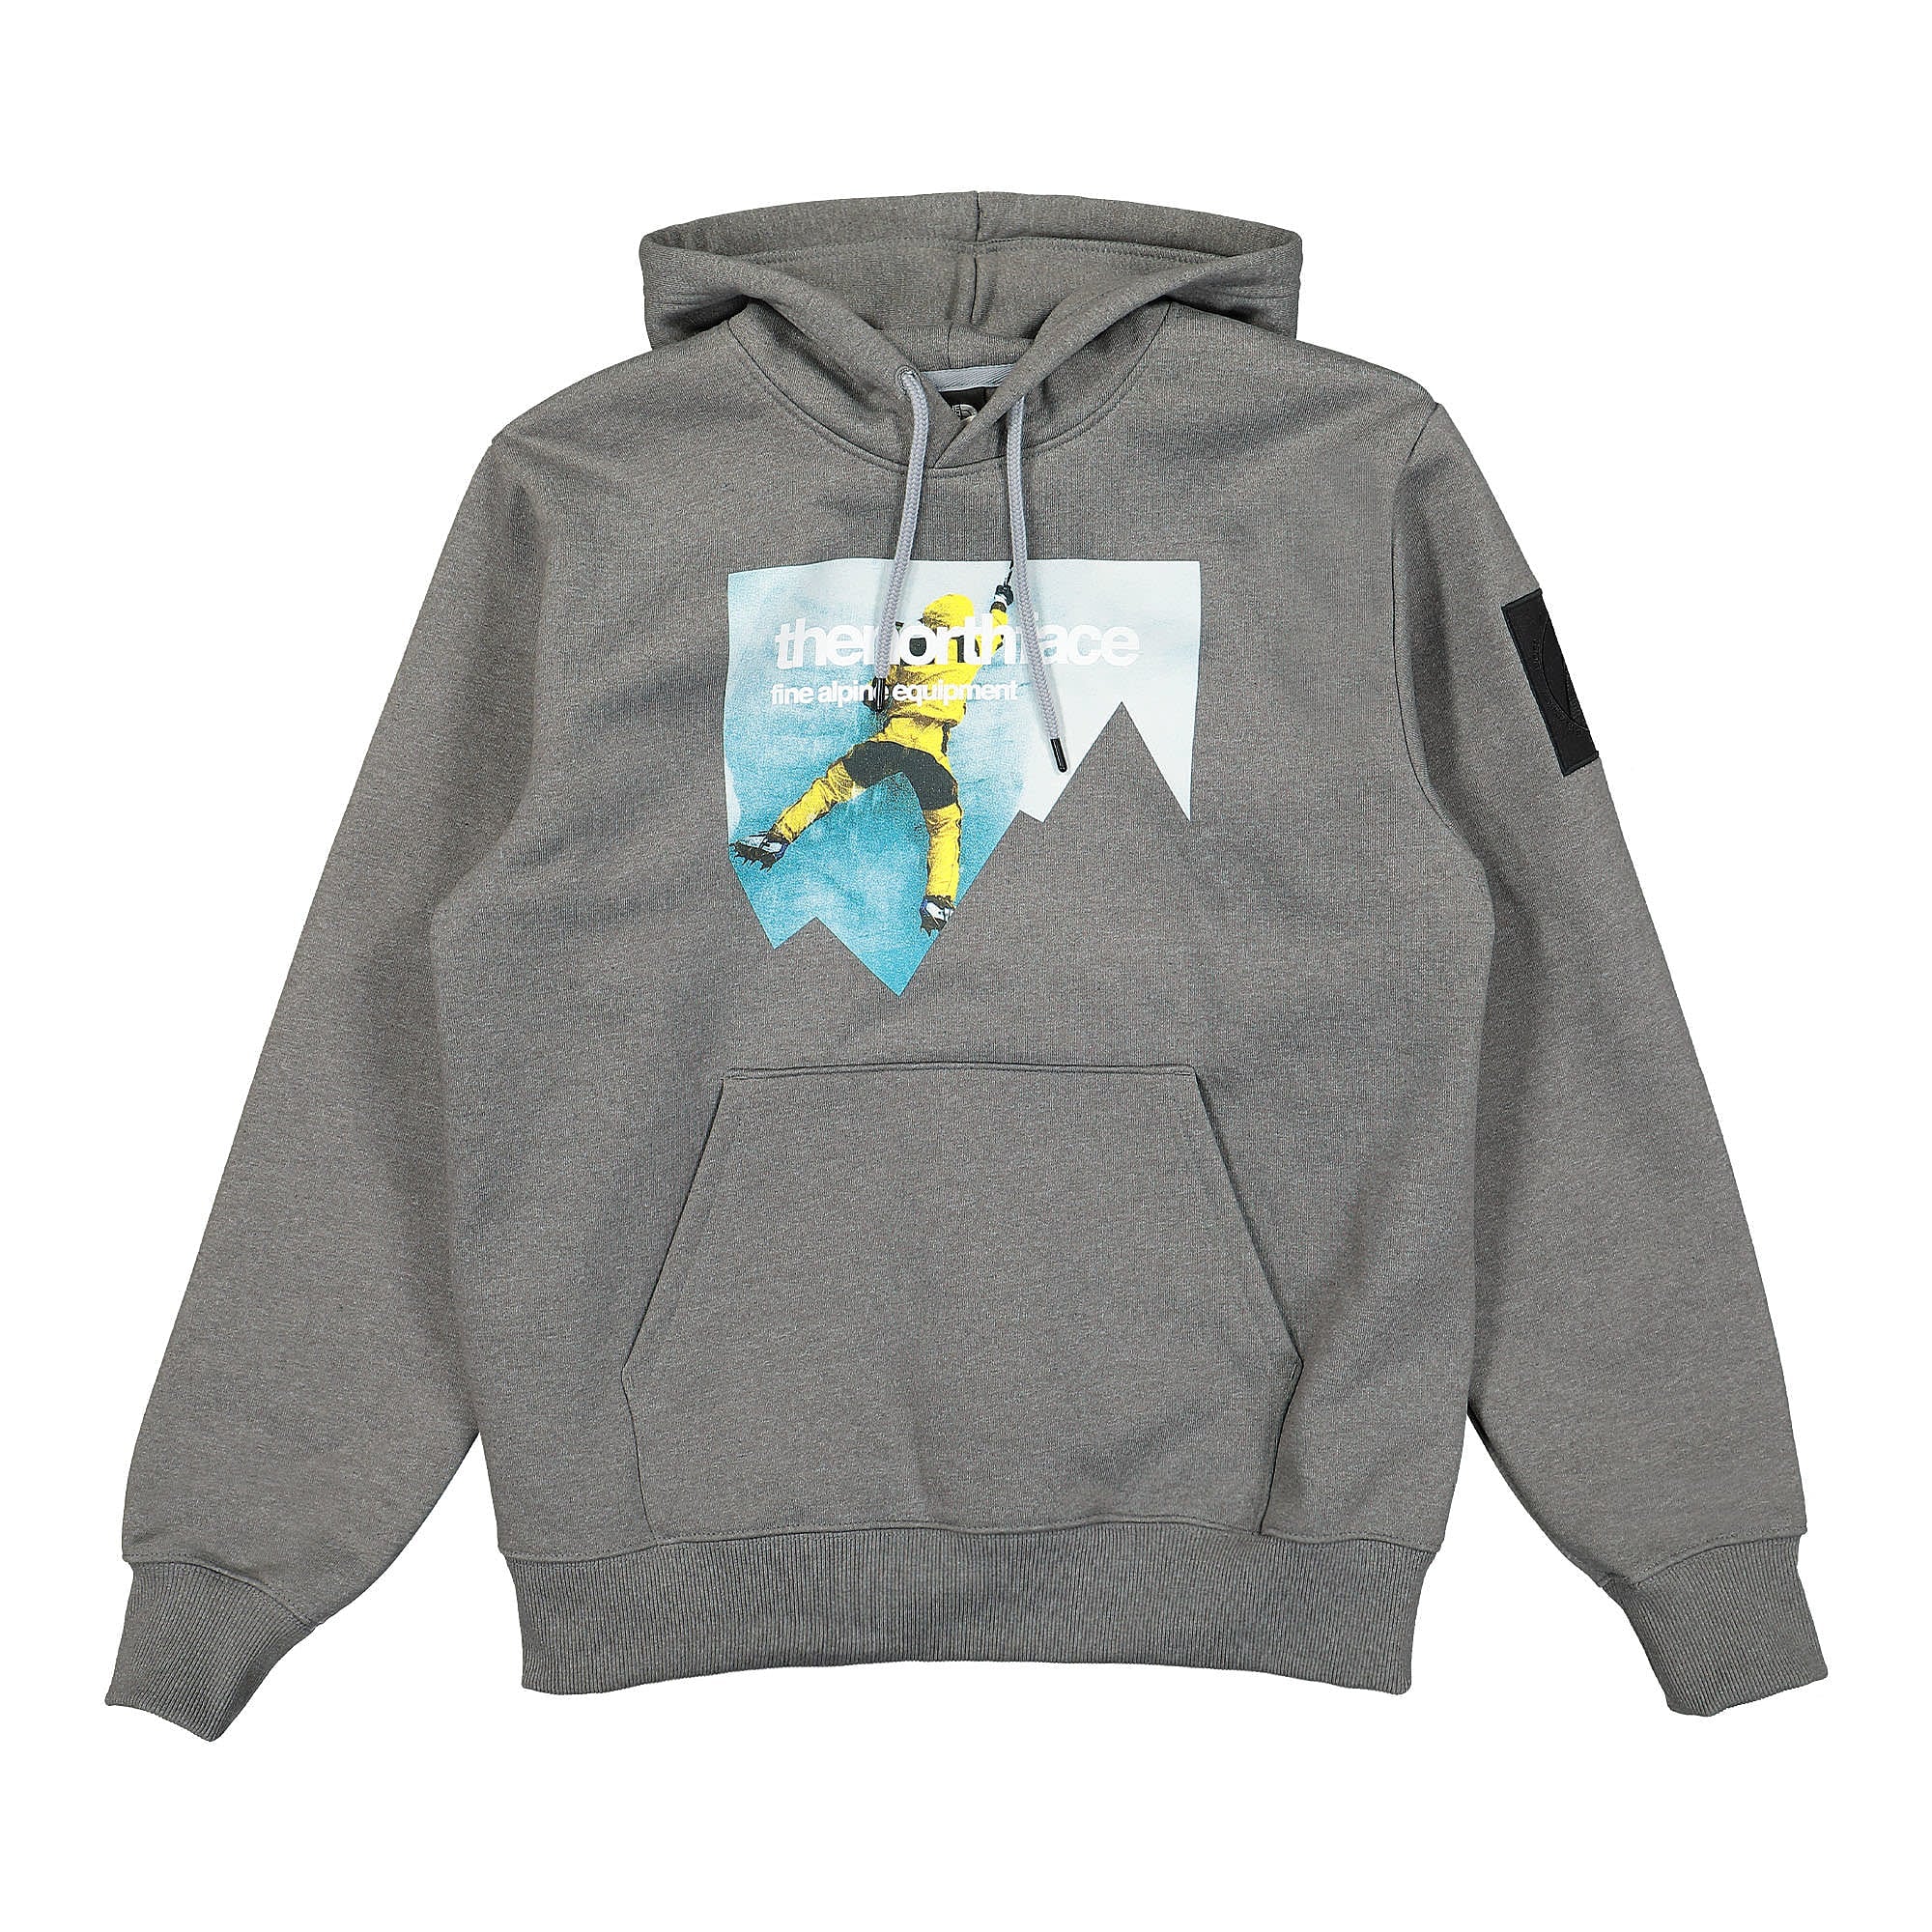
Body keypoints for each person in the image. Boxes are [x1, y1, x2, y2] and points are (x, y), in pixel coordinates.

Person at [733, 577, 1012, 931]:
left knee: (830, 789)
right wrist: (1001, 600)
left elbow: (875, 696)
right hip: (930, 754)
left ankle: (777, 838)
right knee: (944, 826)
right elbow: (997, 631)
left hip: (889, 743)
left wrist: (879, 693)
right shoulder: (971, 647)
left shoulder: (910, 646)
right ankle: (938, 899)